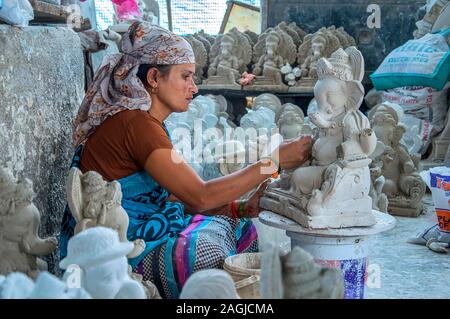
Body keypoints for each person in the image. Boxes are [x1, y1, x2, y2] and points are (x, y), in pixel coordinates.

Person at [60, 21, 312, 299]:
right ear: (154, 78)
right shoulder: (136, 124)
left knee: (239, 224)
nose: (194, 88)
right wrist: (272, 163)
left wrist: (240, 208)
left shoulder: (146, 123)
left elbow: (177, 198)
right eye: (185, 76)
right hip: (121, 247)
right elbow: (200, 196)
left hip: (149, 225)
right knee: (204, 253)